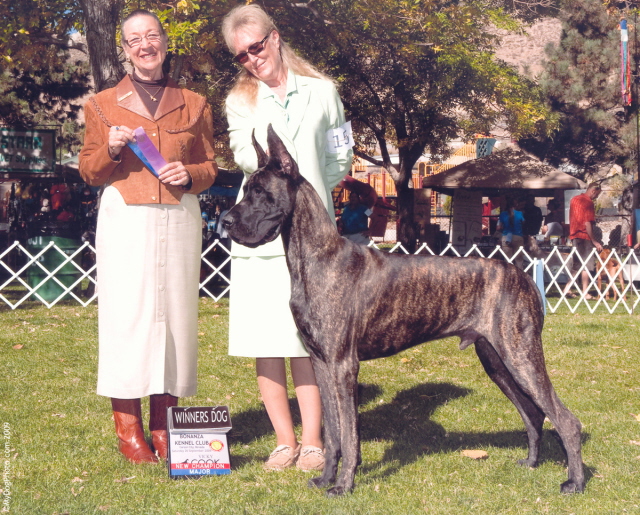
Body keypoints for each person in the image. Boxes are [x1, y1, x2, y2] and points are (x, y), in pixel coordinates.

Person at [79, 9, 217, 464]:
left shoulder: (194, 103)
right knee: (128, 318)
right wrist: (112, 148)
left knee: (176, 320)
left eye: (152, 36)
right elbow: (89, 171)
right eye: (134, 39)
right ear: (124, 48)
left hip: (179, 217)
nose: (144, 45)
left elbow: (210, 167)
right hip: (126, 217)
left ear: (164, 41)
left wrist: (191, 172)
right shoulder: (100, 103)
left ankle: (166, 426)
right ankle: (128, 428)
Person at [222, 4, 353, 471]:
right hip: (260, 231)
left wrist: (310, 190)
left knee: (312, 338)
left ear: (274, 38)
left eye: (256, 47)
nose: (252, 59)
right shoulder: (240, 103)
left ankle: (314, 440)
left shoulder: (325, 91)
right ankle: (284, 440)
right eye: (241, 56)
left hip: (313, 238)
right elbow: (246, 158)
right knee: (268, 338)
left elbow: (341, 157)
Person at [563, 183, 603, 299]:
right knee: (587, 264)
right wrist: (594, 240)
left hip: (574, 235)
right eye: (597, 194)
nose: (596, 197)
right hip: (584, 236)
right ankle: (585, 292)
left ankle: (567, 289)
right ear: (593, 191)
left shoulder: (574, 200)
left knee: (577, 265)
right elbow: (587, 223)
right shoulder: (588, 203)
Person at [496, 196, 526, 269]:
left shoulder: (503, 214)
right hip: (518, 237)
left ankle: (509, 278)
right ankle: (520, 277)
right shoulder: (520, 214)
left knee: (507, 260)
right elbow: (524, 224)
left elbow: (498, 227)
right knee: (519, 260)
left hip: (506, 237)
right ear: (516, 205)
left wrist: (503, 230)